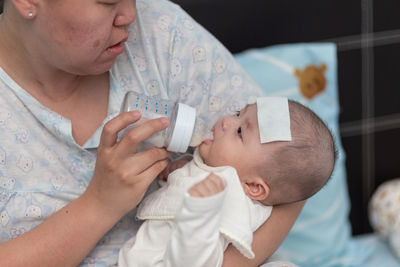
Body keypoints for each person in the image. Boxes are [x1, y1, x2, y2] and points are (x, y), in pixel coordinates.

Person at [0, 0, 305, 266]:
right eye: (108, 1)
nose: (131, 13)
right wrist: (99, 206)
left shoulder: (162, 31)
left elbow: (295, 163)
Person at [118, 98, 336, 267]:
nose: (226, 121)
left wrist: (200, 214)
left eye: (240, 132)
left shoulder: (231, 203)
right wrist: (182, 169)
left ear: (253, 187)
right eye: (238, 113)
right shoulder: (218, 168)